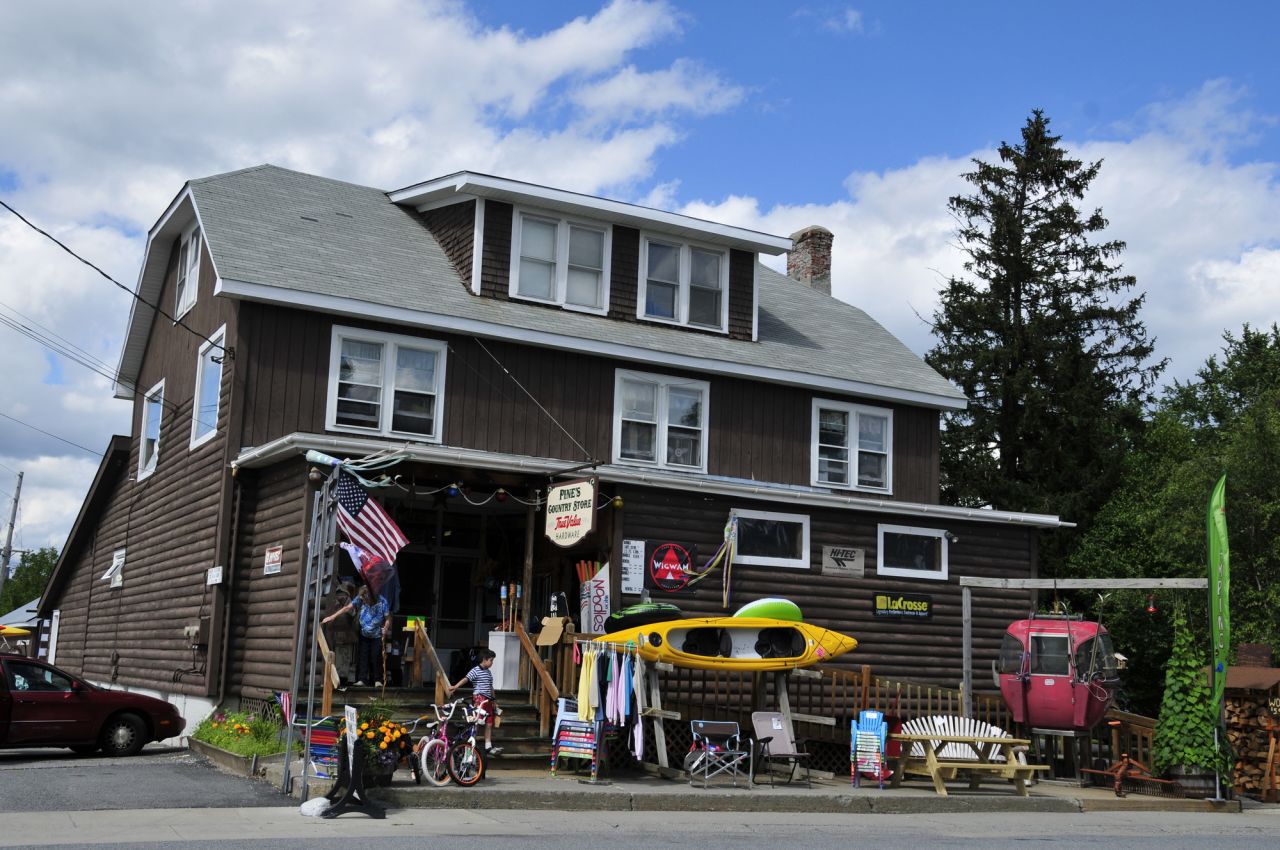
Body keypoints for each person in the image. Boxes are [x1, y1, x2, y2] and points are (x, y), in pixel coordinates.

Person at [321, 585, 389, 686]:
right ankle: (362, 679)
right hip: (363, 632)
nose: (364, 601)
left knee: (376, 657)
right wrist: (332, 616)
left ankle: (377, 680)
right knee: (363, 656)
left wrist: (386, 628)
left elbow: (388, 618)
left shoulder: (382, 601)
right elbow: (347, 608)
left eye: (365, 599)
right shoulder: (361, 598)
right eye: (362, 599)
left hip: (377, 634)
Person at [447, 648, 502, 755]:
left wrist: (494, 700)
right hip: (479, 699)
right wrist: (456, 686)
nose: (492, 663)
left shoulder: (489, 672)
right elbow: (466, 679)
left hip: (488, 701)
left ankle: (488, 746)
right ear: (484, 660)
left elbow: (491, 687)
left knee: (489, 723)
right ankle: (470, 744)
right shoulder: (475, 670)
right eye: (491, 660)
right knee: (477, 723)